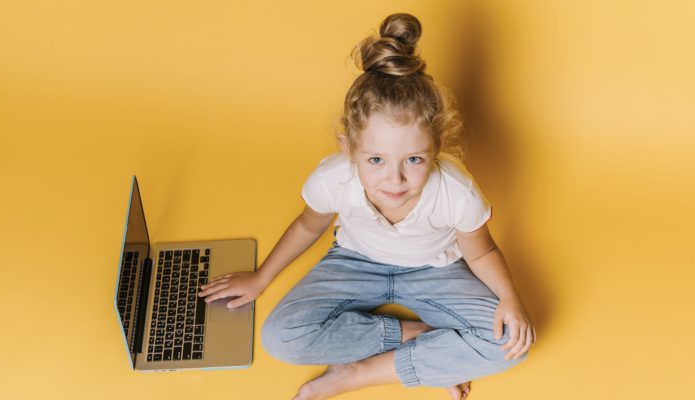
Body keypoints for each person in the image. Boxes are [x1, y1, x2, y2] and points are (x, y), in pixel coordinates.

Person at [197, 13, 536, 400]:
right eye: (376, 160)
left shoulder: (456, 191)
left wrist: (510, 298)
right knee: (281, 338)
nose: (395, 180)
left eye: (414, 160)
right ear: (349, 148)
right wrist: (261, 278)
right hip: (354, 262)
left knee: (512, 342)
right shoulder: (334, 178)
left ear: (438, 145)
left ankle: (355, 375)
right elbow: (308, 226)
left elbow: (483, 251)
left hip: (433, 270)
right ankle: (420, 339)